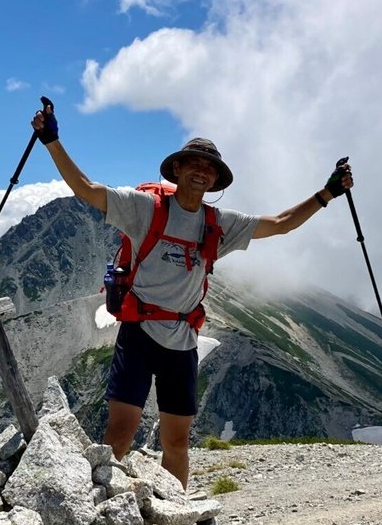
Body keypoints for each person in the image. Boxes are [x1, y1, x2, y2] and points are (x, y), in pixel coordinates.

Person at [32, 100, 352, 488]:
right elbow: (87, 189)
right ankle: (96, 512)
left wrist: (328, 193)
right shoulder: (145, 208)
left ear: (215, 180)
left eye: (210, 168)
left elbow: (282, 224)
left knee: (178, 441)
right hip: (138, 333)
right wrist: (52, 141)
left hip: (183, 343)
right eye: (195, 163)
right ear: (177, 169)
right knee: (119, 435)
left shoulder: (219, 225)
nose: (202, 171)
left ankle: (174, 517)